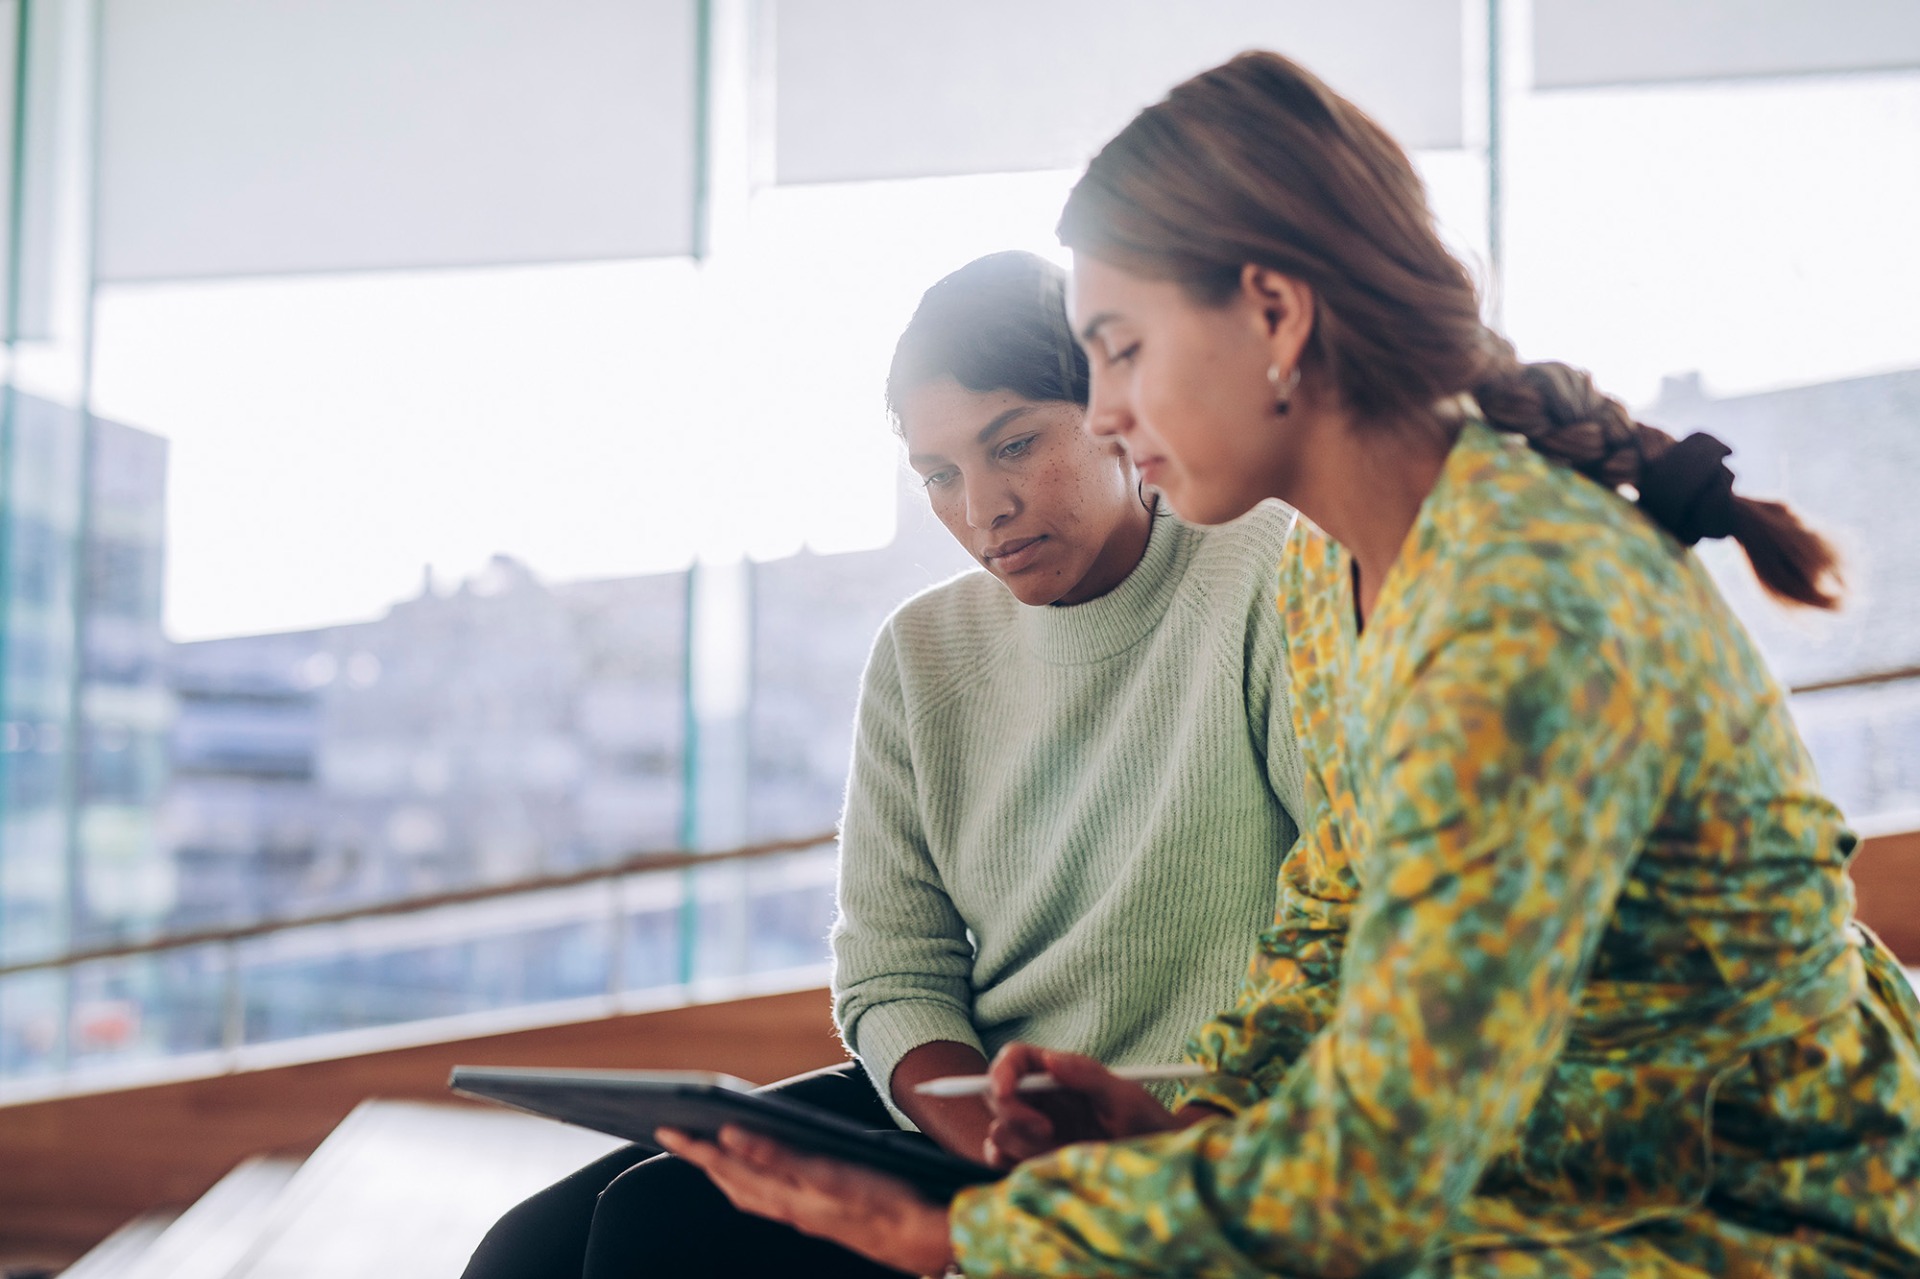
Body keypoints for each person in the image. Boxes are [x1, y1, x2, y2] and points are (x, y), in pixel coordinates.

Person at [660, 53, 1920, 1277]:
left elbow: (1377, 1171)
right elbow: (1329, 921)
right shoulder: (1334, 571)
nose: (1105, 410)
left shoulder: (1526, 610)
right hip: (1542, 1193)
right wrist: (1192, 1130)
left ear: (1274, 313)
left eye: (1121, 348)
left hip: (1746, 1222)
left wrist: (958, 1237)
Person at [462, 250, 1305, 1278]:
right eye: (940, 475)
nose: (983, 507)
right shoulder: (923, 651)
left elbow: (1350, 919)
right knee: (529, 1249)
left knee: (653, 1230)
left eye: (1015, 444)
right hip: (974, 1117)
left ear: (1116, 408)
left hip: (1181, 1121)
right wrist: (987, 1140)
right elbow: (892, 967)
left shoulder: (1266, 570)